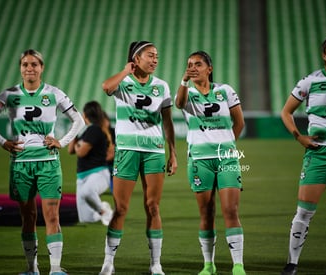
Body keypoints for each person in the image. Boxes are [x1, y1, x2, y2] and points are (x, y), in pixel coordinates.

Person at [0, 49, 85, 275]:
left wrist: (62, 141)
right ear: (20, 68)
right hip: (20, 164)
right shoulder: (9, 95)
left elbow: (79, 119)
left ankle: (55, 269)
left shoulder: (54, 94)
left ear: (42, 67)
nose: (30, 68)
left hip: (48, 163)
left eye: (34, 64)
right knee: (28, 216)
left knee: (52, 215)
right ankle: (32, 268)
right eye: (25, 64)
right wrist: (3, 142)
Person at [99, 40, 178, 275]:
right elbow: (106, 87)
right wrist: (125, 71)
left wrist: (173, 152)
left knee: (153, 206)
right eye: (150, 56)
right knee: (120, 208)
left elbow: (168, 121)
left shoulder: (162, 86)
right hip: (126, 151)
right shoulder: (123, 83)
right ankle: (108, 262)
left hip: (154, 151)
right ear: (136, 58)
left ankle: (155, 263)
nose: (155, 60)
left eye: (157, 56)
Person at [280, 35, 326, 275]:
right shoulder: (310, 81)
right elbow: (286, 112)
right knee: (304, 211)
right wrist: (298, 136)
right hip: (318, 152)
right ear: (325, 55)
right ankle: (292, 264)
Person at [174, 51, 246, 275]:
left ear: (209, 69)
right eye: (189, 65)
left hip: (226, 159)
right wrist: (183, 81)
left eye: (198, 64)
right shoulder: (187, 93)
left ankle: (238, 265)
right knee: (206, 213)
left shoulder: (225, 91)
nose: (193, 68)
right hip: (199, 160)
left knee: (230, 210)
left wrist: (226, 145)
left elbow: (239, 122)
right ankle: (208, 264)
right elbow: (178, 104)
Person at [68, 100, 114, 226]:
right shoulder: (87, 131)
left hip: (98, 174)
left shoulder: (94, 129)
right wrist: (75, 132)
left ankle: (104, 212)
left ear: (85, 115)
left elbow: (81, 152)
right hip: (82, 177)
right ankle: (103, 207)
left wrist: (78, 144)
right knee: (86, 218)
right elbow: (71, 150)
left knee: (87, 192)